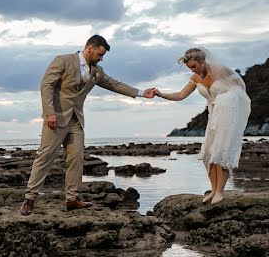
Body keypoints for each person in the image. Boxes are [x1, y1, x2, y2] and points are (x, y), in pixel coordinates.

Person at [20, 35, 158, 216]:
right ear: (90, 48)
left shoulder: (97, 71)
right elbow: (46, 85)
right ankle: (29, 199)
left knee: (76, 158)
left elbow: (113, 84)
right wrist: (49, 113)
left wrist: (141, 93)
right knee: (45, 157)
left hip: (76, 120)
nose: (101, 58)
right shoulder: (63, 60)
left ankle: (72, 199)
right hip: (56, 118)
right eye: (100, 54)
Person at [154, 47, 251, 204]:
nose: (193, 70)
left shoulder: (221, 71)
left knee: (221, 149)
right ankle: (213, 190)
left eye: (194, 66)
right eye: (189, 68)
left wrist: (231, 102)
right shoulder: (196, 78)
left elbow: (241, 89)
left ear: (203, 61)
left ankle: (220, 191)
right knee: (207, 151)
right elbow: (180, 95)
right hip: (213, 113)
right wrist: (161, 94)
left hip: (228, 110)